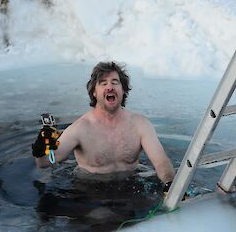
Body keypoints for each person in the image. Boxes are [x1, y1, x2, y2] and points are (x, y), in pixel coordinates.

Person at [32, 61, 175, 188]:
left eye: (115, 82)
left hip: (131, 185)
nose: (110, 87)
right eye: (103, 83)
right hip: (90, 190)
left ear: (123, 90)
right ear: (94, 92)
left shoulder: (140, 125)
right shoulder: (80, 128)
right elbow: (46, 162)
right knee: (100, 216)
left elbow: (161, 162)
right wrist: (40, 151)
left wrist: (169, 184)